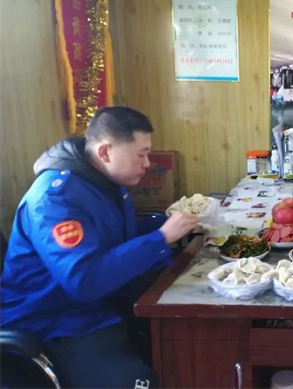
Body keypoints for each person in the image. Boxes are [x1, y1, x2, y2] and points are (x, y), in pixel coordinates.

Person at [1, 106, 198, 388]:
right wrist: (160, 238)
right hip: (54, 320)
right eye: (140, 154)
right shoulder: (55, 198)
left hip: (102, 303)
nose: (147, 164)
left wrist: (163, 225)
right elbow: (84, 281)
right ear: (105, 152)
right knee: (143, 381)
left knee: (180, 341)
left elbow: (114, 241)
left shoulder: (104, 180)